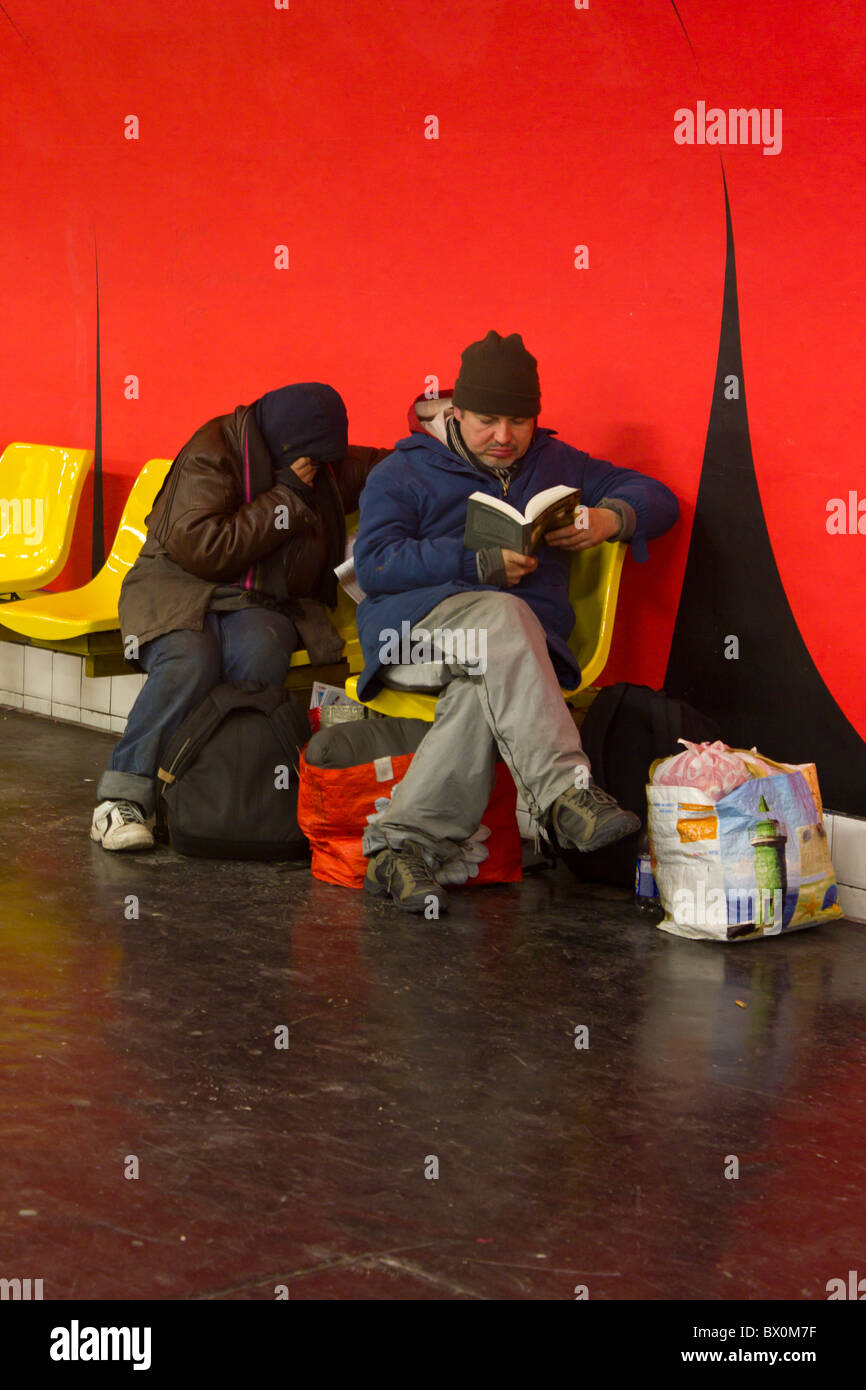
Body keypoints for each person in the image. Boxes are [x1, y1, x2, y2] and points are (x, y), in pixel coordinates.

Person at [353, 331, 680, 912]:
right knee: (502, 616)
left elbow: (658, 497)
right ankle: (564, 794)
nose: (504, 437)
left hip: (510, 650)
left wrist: (612, 517)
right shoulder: (401, 472)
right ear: (455, 410)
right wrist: (473, 564)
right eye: (487, 420)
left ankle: (399, 849)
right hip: (413, 639)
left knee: (487, 678)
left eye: (520, 421)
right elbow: (377, 565)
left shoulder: (556, 462)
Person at [91, 382, 385, 851]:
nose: (322, 470)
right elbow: (206, 549)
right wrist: (285, 498)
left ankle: (211, 797)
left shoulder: (316, 463)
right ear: (284, 446)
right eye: (312, 460)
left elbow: (384, 467)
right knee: (191, 659)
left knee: (261, 652)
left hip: (258, 599)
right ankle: (123, 797)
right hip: (178, 584)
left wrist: (440, 448)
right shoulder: (213, 452)